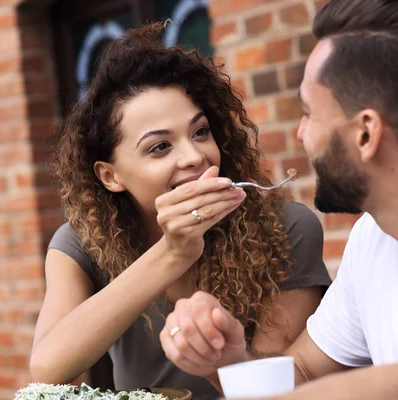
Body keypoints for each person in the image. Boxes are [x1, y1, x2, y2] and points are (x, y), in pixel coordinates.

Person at [160, 0, 398, 398]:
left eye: (308, 113)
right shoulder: (374, 238)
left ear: (366, 134)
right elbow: (304, 372)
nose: (300, 133)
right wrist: (229, 360)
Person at [29, 22, 332, 397]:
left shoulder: (285, 227)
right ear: (110, 176)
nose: (195, 157)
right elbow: (47, 369)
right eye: (160, 147)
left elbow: (280, 385)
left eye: (200, 132)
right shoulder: (80, 244)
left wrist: (219, 358)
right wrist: (172, 253)